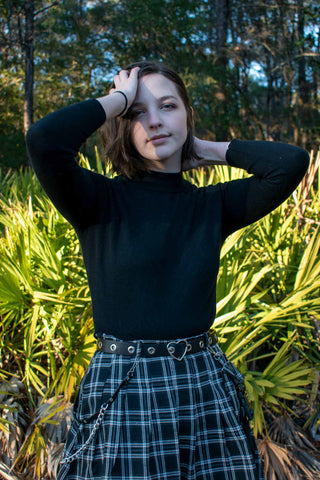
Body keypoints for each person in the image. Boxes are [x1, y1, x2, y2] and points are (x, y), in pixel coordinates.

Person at [26, 61, 309, 480]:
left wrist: (202, 148)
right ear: (122, 124)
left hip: (204, 383)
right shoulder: (96, 200)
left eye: (168, 107)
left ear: (187, 116)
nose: (154, 121)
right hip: (124, 389)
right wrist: (117, 99)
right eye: (138, 113)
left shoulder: (210, 206)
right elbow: (44, 140)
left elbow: (290, 163)